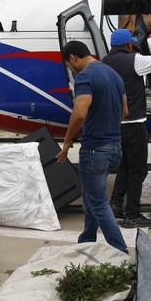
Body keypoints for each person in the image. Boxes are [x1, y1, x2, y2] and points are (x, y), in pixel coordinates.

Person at [56, 40, 129, 253]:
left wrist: (67, 142)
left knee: (98, 203)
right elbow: (125, 111)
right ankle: (87, 239)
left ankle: (121, 251)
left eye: (69, 66)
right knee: (90, 195)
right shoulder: (113, 74)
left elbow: (79, 113)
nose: (71, 70)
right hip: (115, 147)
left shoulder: (85, 76)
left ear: (73, 58)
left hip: (95, 149)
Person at [103, 25, 151, 228]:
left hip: (114, 126)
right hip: (134, 125)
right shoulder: (134, 60)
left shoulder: (105, 63)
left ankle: (115, 204)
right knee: (138, 170)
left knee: (125, 166)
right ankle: (132, 214)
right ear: (129, 44)